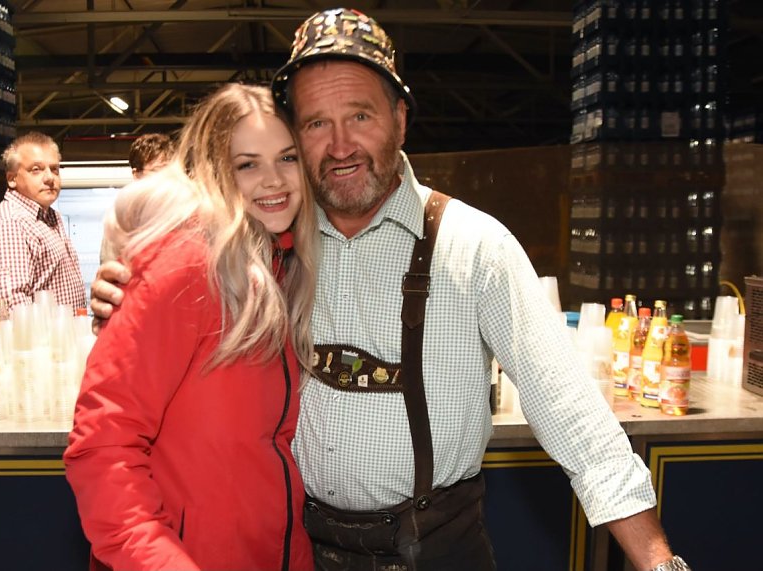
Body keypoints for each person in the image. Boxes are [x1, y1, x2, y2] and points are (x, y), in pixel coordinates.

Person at [90, 8, 691, 571]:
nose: (340, 145)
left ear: (400, 118)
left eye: (360, 116)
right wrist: (129, 288)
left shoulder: (474, 246)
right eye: (316, 124)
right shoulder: (268, 244)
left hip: (439, 548)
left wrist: (659, 562)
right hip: (308, 549)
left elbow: (577, 421)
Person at [64, 83, 317, 571]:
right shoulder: (187, 266)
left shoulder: (282, 266)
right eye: (248, 164)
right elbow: (103, 445)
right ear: (216, 172)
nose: (274, 180)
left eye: (287, 158)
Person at [0, 131, 86, 324]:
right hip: (39, 343)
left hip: (61, 339)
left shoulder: (49, 216)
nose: (49, 178)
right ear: (12, 179)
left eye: (54, 169)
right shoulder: (9, 223)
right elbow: (13, 309)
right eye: (36, 170)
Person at [100, 133, 177, 263]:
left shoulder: (182, 211)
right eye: (157, 170)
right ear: (136, 174)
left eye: (170, 171)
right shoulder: (121, 217)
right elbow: (110, 264)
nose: (165, 178)